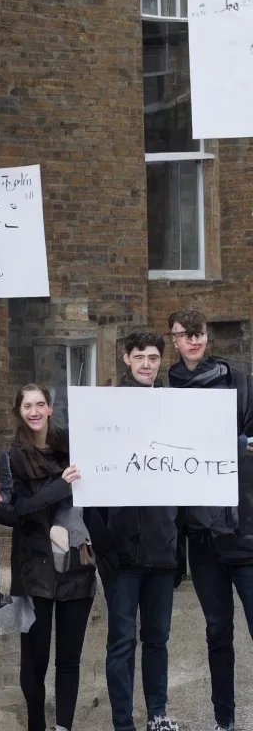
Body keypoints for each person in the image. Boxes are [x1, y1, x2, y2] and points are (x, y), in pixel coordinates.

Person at [84, 330, 181, 731]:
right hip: (121, 552)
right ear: (126, 358)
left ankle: (157, 715)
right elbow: (86, 484)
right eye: (139, 356)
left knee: (157, 640)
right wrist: (104, 545)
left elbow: (187, 479)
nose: (146, 364)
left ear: (161, 361)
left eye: (154, 358)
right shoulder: (103, 409)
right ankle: (123, 722)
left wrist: (180, 548)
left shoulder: (174, 409)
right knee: (122, 643)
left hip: (161, 547)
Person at [166, 305, 253, 731]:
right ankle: (225, 721)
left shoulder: (236, 378)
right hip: (200, 535)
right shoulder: (165, 386)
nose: (194, 339)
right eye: (186, 333)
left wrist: (229, 443)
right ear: (175, 339)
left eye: (199, 332)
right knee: (218, 632)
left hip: (243, 527)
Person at [0, 385, 94, 731]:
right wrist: (58, 487)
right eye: (28, 405)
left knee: (69, 659)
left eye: (41, 404)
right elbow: (13, 511)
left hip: (76, 565)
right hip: (34, 567)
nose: (35, 411)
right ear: (19, 411)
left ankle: (64, 727)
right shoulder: (11, 458)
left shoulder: (72, 448)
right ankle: (36, 724)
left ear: (50, 409)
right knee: (34, 661)